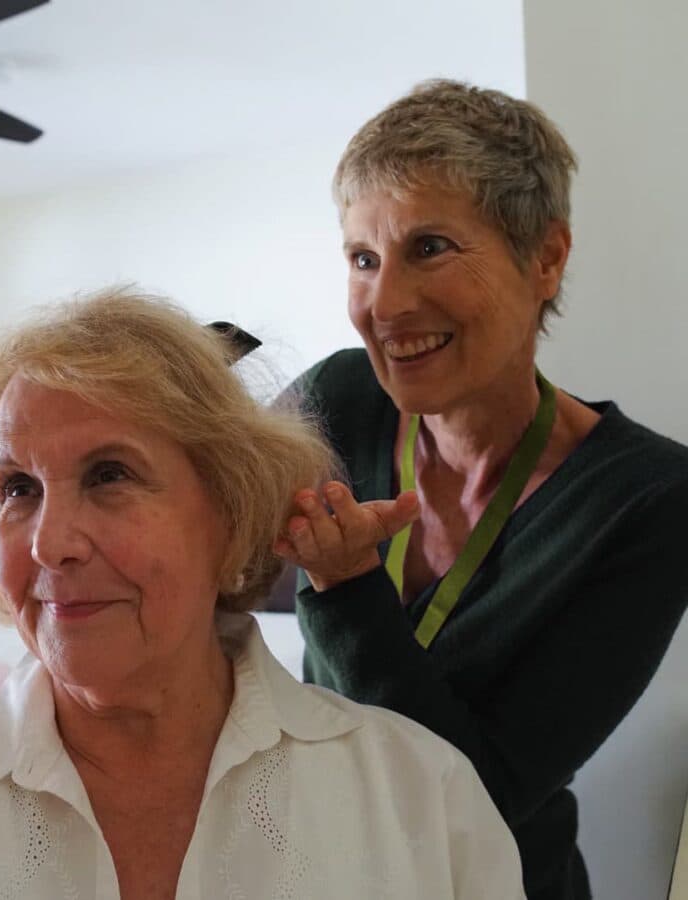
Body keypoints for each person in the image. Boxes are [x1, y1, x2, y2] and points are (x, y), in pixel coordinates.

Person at [0, 289, 523, 899]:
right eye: (16, 488)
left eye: (111, 474)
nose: (51, 542)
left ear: (229, 518)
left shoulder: (421, 798)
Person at [273, 79, 688, 900]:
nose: (383, 305)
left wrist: (349, 588)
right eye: (363, 258)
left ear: (547, 257)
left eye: (429, 247)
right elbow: (206, 555)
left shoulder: (650, 501)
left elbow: (479, 792)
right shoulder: (336, 398)